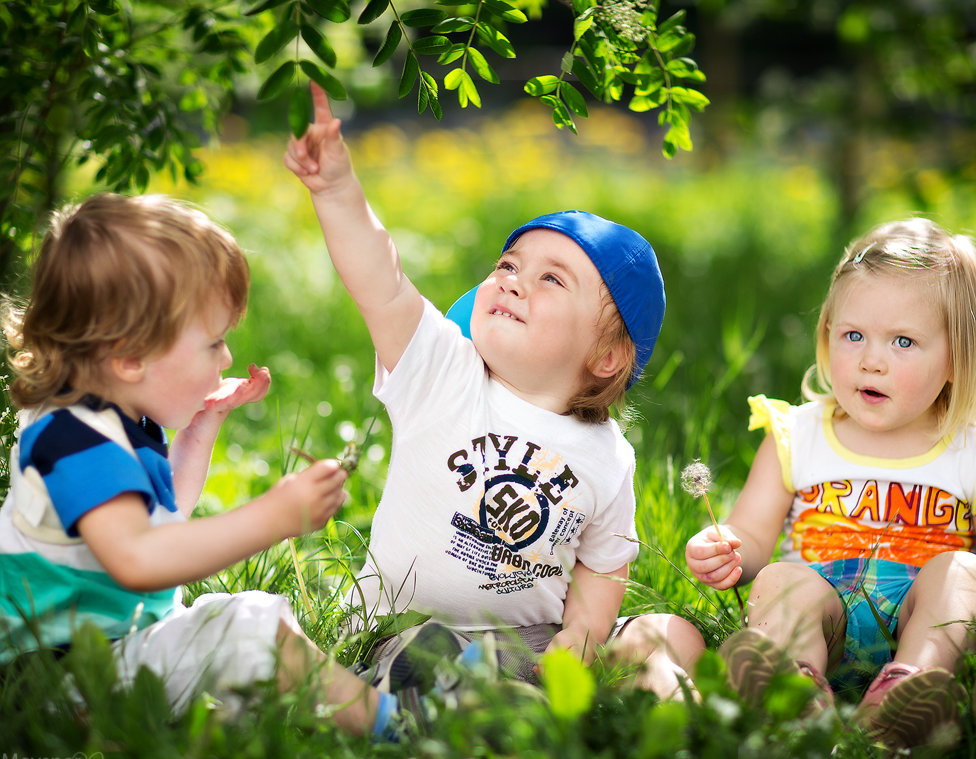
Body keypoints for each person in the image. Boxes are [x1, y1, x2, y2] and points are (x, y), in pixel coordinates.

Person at [284, 83, 704, 700]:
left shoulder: (608, 455)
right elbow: (381, 282)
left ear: (608, 355)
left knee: (668, 630)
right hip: (401, 631)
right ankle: (495, 709)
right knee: (427, 659)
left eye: (551, 279)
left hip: (529, 643)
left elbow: (602, 565)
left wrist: (584, 635)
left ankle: (654, 697)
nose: (512, 281)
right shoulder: (442, 373)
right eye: (508, 265)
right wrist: (337, 190)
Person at [0, 193, 423, 740]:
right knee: (246, 630)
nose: (228, 358)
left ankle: (348, 703)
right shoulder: (74, 440)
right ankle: (400, 727)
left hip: (107, 652)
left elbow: (167, 519)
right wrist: (273, 518)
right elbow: (139, 559)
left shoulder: (114, 417)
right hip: (59, 683)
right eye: (214, 342)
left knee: (252, 621)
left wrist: (201, 426)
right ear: (129, 356)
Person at [685, 217, 976, 747]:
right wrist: (726, 550)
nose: (871, 361)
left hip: (921, 631)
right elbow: (753, 538)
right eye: (853, 335)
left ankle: (910, 692)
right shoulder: (799, 434)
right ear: (827, 335)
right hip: (820, 624)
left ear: (955, 358)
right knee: (783, 581)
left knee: (964, 572)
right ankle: (790, 690)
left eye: (903, 341)